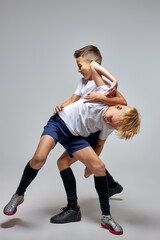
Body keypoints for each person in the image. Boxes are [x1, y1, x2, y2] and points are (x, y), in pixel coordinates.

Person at [3, 60, 140, 235]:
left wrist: (90, 166)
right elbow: (92, 65)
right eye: (112, 120)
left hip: (75, 136)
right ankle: (18, 195)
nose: (109, 123)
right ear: (118, 107)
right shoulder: (104, 93)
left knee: (99, 167)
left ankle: (106, 216)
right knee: (38, 159)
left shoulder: (109, 126)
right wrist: (114, 81)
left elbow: (99, 144)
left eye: (113, 126)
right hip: (59, 123)